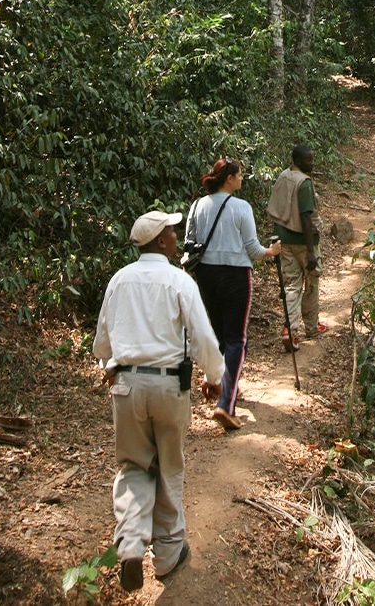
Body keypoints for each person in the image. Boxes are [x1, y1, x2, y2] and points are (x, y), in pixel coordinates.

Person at [92, 210, 227, 592]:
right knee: (168, 466)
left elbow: (102, 343)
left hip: (127, 386)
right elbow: (202, 337)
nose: (174, 234)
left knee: (134, 466)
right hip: (170, 387)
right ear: (162, 242)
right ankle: (167, 556)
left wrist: (111, 364)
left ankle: (132, 540)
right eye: (171, 230)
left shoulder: (119, 280)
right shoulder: (178, 281)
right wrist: (214, 378)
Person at [184, 157, 282, 430]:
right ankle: (226, 403)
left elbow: (189, 244)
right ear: (229, 178)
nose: (242, 179)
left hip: (205, 274)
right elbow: (252, 249)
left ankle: (214, 379)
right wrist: (270, 252)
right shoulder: (241, 207)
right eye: (239, 175)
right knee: (236, 338)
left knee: (217, 334)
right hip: (236, 275)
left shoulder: (197, 206)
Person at [267, 144, 327, 352]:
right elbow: (305, 217)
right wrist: (311, 251)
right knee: (310, 284)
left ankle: (290, 331)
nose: (312, 163)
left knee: (291, 285)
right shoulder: (304, 183)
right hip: (304, 242)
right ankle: (311, 326)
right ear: (298, 161)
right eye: (309, 160)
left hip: (284, 240)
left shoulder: (284, 176)